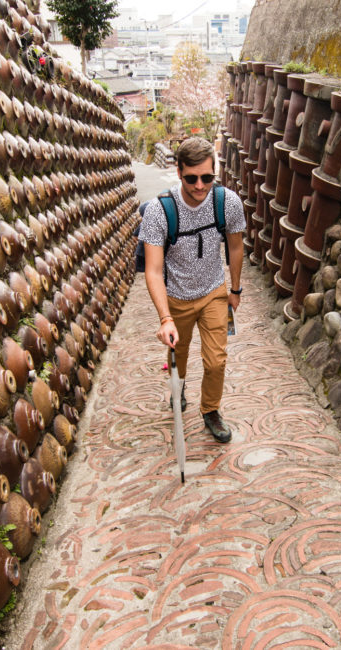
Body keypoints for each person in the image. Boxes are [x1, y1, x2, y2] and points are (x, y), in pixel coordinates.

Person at [138, 137, 246, 442]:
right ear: (178, 170)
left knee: (217, 360)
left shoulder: (227, 202)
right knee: (178, 354)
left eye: (207, 178)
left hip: (214, 291)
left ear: (215, 171)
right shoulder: (160, 212)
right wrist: (164, 318)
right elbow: (154, 269)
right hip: (176, 298)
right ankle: (179, 385)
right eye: (191, 178)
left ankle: (210, 409)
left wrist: (235, 290)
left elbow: (236, 248)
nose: (200, 186)